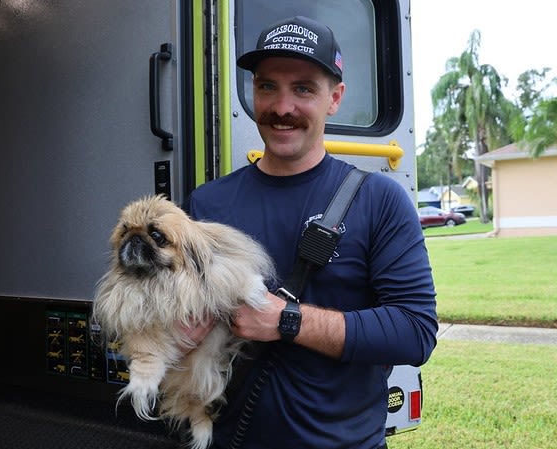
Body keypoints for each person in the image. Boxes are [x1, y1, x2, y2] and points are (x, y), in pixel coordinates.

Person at [183, 15, 438, 449]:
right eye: (267, 87)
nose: (282, 107)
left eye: (303, 89)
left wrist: (285, 320)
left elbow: (414, 331)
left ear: (334, 98)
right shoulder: (207, 206)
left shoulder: (379, 200)